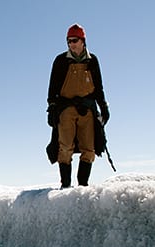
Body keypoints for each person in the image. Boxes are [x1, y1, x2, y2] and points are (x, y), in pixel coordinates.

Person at [47, 23, 109, 188]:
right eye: (69, 41)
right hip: (66, 109)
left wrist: (104, 107)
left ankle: (83, 186)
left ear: (83, 41)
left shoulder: (92, 60)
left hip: (87, 110)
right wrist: (52, 107)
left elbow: (99, 87)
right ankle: (65, 185)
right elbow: (52, 87)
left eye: (74, 40)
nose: (71, 44)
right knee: (65, 148)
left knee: (89, 149)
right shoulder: (60, 61)